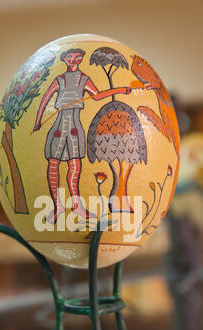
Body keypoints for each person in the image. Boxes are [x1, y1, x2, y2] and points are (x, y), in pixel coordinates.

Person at [33, 48, 131, 224]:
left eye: (77, 57)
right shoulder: (60, 80)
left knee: (75, 164)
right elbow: (45, 99)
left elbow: (98, 96)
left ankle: (77, 205)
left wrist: (120, 90)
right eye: (70, 57)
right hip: (58, 125)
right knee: (53, 163)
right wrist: (38, 121)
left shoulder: (83, 79)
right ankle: (57, 206)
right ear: (64, 59)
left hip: (75, 126)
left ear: (80, 59)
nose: (73, 60)